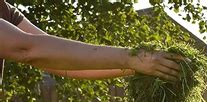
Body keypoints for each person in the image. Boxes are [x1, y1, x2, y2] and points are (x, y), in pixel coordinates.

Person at [0, 0, 183, 86]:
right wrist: (132, 58)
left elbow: (59, 60)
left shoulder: (4, 10)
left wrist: (142, 65)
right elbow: (26, 49)